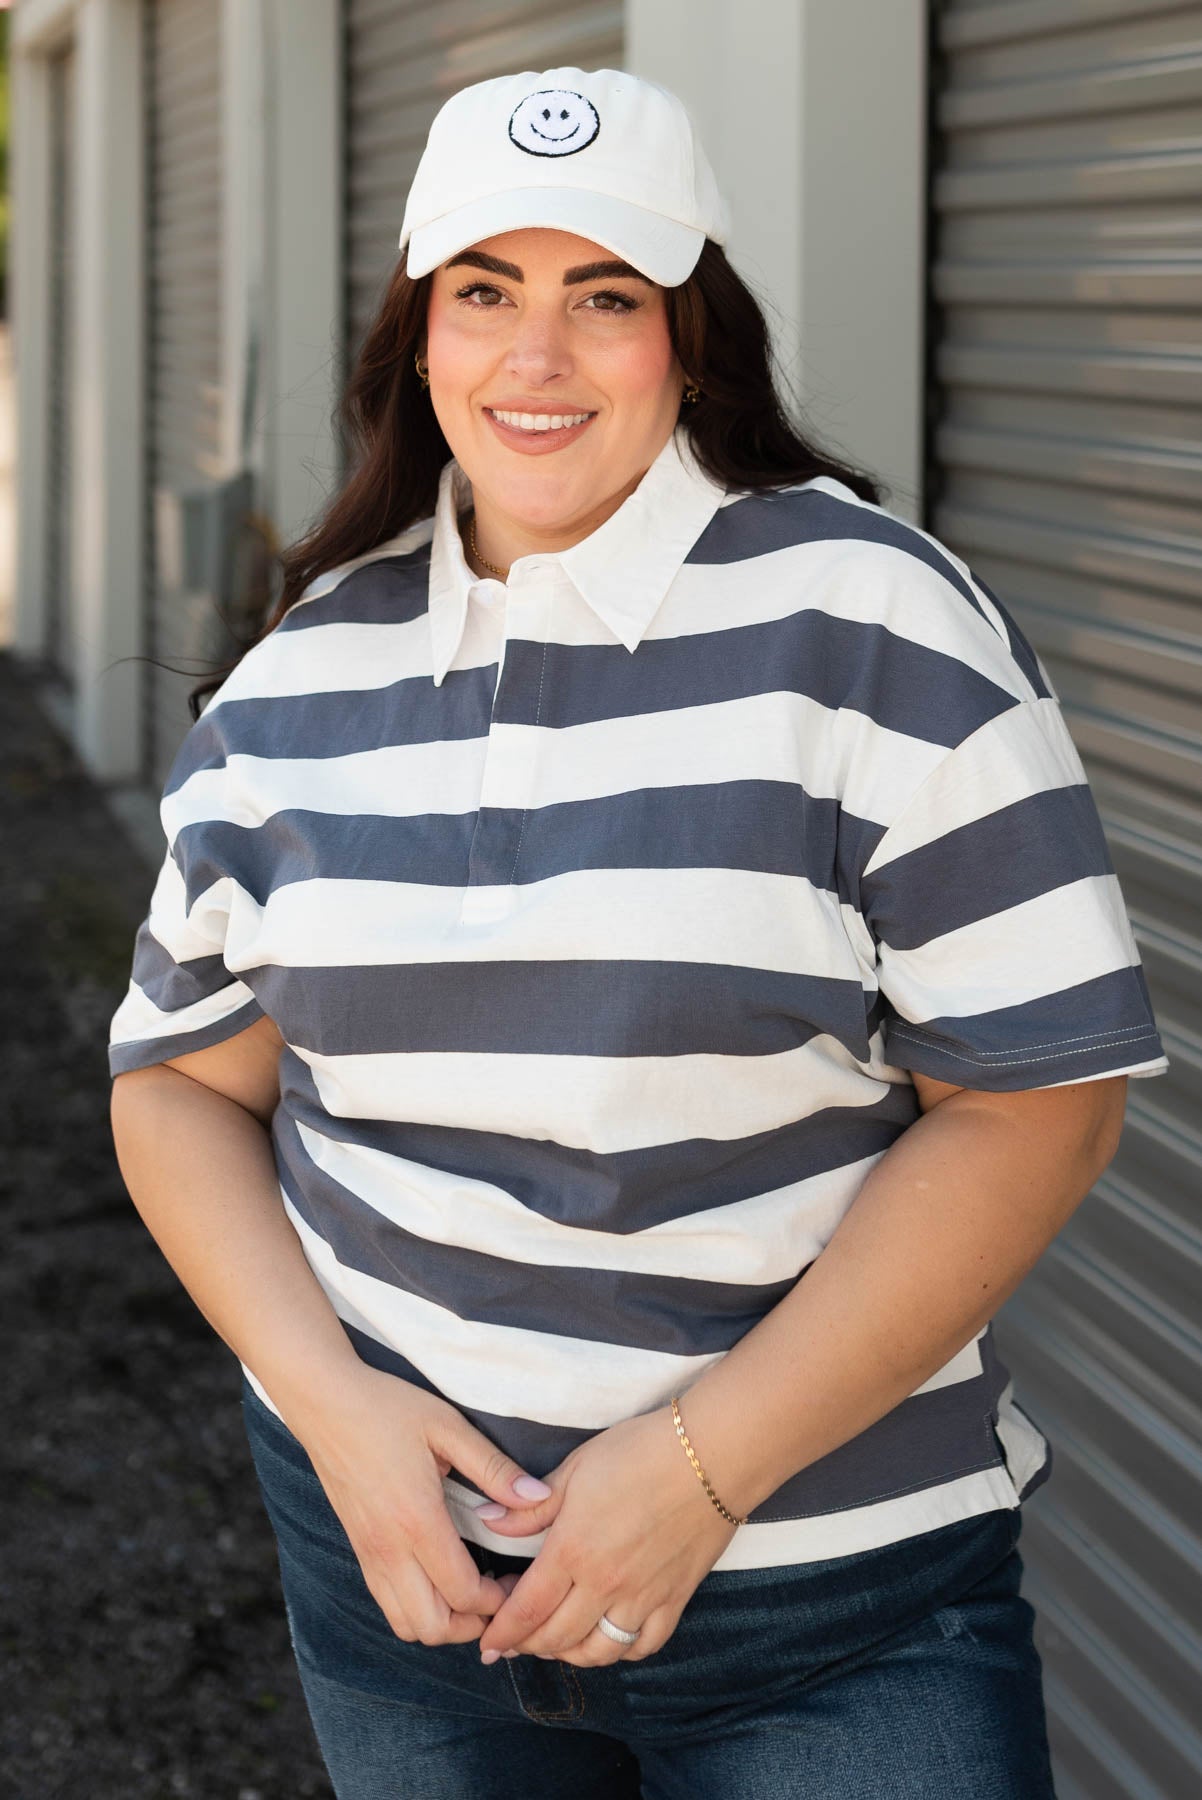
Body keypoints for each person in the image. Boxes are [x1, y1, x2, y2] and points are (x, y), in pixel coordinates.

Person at [108, 64, 1169, 1800]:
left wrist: (698, 1468)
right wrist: (332, 1412)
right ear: (418, 334)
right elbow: (179, 1088)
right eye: (484, 293)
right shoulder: (300, 680)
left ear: (691, 334)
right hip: (406, 1607)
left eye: (604, 297)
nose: (535, 359)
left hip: (827, 1618)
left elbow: (1039, 1101)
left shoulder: (874, 625)